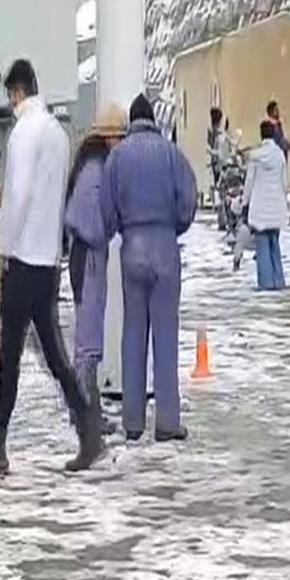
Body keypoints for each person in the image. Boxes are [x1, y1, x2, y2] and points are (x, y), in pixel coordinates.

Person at [0, 59, 103, 477]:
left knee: (9, 356)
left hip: (23, 258)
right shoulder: (58, 133)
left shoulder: (25, 131)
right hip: (47, 258)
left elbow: (18, 196)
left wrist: (4, 245)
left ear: (15, 92)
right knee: (54, 354)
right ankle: (88, 427)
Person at [102, 94, 198, 441]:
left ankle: (132, 421)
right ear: (153, 119)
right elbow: (189, 201)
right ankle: (168, 422)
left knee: (133, 334)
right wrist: (174, 226)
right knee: (165, 335)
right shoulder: (172, 154)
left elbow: (106, 210)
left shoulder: (117, 157)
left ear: (131, 120)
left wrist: (121, 227)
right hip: (164, 246)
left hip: (133, 249)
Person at [64, 103, 125, 435]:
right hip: (89, 255)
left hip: (85, 254)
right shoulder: (96, 171)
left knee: (89, 334)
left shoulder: (90, 165)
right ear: (110, 137)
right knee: (88, 337)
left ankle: (88, 408)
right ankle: (85, 410)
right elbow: (89, 221)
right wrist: (110, 227)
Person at [244, 119, 290, 291]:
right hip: (276, 208)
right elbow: (284, 183)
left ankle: (266, 284)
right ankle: (279, 281)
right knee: (274, 246)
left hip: (260, 210)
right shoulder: (280, 155)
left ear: (261, 135)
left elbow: (249, 182)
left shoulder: (256, 157)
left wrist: (244, 202)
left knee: (262, 248)